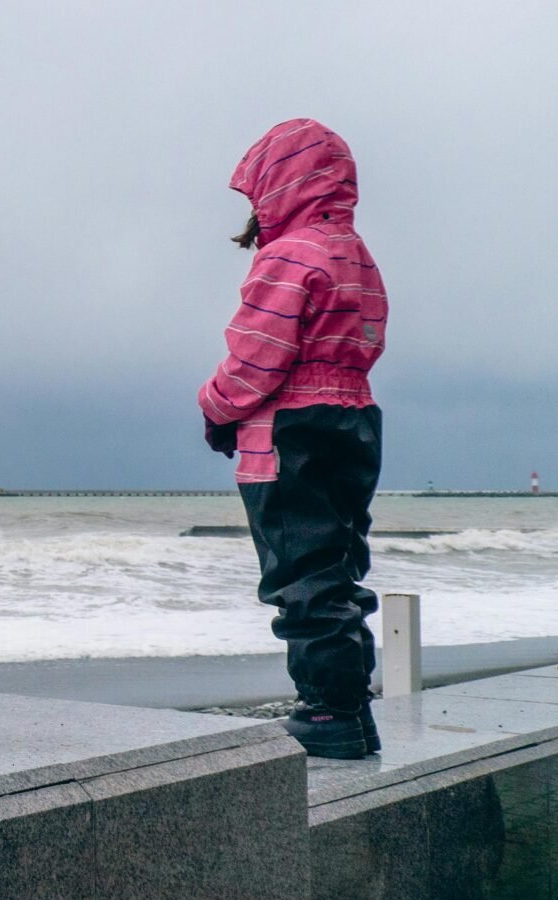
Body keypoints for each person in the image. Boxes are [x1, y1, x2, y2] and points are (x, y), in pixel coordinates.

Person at [198, 119, 387, 760]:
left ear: (281, 186)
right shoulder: (356, 254)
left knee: (300, 572)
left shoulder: (288, 256)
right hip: (356, 424)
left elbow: (258, 356)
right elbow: (367, 342)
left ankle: (327, 712)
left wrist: (216, 408)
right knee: (338, 567)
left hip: (290, 431)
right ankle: (351, 709)